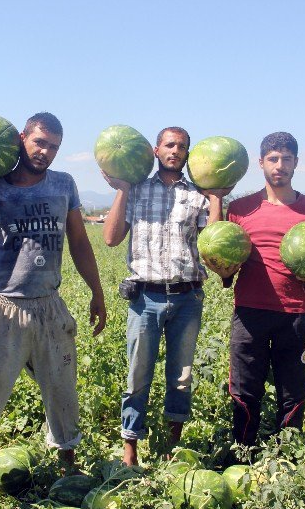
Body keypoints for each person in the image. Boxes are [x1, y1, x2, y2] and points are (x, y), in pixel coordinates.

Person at [0, 112, 107, 509]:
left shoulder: (63, 185)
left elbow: (79, 243)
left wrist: (97, 292)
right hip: (1, 307)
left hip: (48, 308)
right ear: (22, 138)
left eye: (54, 146)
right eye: (40, 142)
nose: (45, 152)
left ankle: (68, 470)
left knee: (63, 395)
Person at [102, 126, 230, 466]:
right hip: (145, 298)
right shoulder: (137, 191)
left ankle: (172, 446)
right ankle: (130, 448)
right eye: (169, 145)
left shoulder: (197, 196)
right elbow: (111, 238)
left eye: (182, 147)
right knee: (138, 375)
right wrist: (122, 191)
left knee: (181, 375)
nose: (175, 151)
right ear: (156, 151)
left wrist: (217, 199)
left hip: (187, 297)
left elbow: (213, 242)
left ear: (188, 154)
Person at [209, 131, 305, 446]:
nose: (280, 166)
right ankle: (243, 453)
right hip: (249, 313)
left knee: (293, 391)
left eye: (286, 159)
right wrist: (223, 273)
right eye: (273, 159)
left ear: (296, 163)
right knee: (246, 389)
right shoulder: (239, 210)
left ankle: (288, 458)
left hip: (294, 313)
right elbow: (230, 265)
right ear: (261, 163)